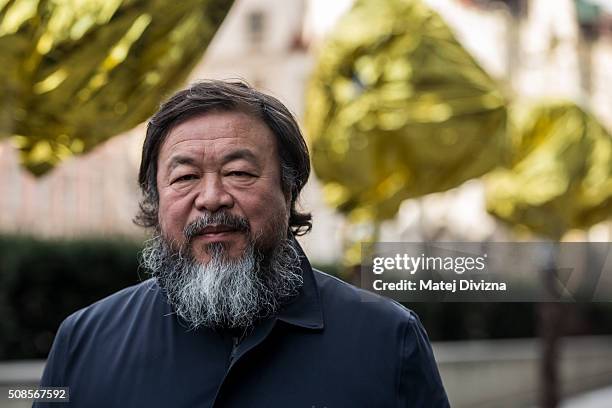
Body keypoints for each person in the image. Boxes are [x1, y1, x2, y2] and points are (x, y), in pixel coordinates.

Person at [34, 80, 449, 407]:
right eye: (184, 177)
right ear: (156, 201)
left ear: (288, 191)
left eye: (238, 172)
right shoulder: (84, 341)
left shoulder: (387, 339)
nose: (211, 197)